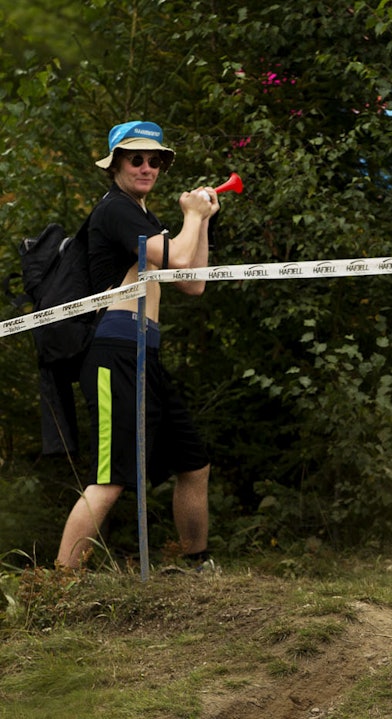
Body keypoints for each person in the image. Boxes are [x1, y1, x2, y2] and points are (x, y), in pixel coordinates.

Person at [55, 121, 219, 571]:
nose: (147, 167)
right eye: (136, 159)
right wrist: (191, 214)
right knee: (110, 478)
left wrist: (201, 220)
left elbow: (193, 282)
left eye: (155, 160)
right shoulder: (115, 210)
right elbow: (180, 258)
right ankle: (56, 587)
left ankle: (196, 565)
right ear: (116, 165)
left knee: (193, 461)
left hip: (146, 353)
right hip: (113, 353)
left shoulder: (144, 218)